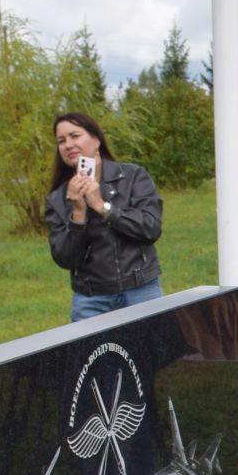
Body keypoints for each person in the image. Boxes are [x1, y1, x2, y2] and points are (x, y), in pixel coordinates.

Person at [44, 112, 164, 320]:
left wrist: (102, 207)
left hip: (141, 290)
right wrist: (78, 214)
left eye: (75, 136)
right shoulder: (57, 198)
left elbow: (150, 228)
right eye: (61, 141)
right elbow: (65, 259)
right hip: (91, 300)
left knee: (154, 351)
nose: (68, 144)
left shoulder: (133, 176)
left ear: (96, 139)